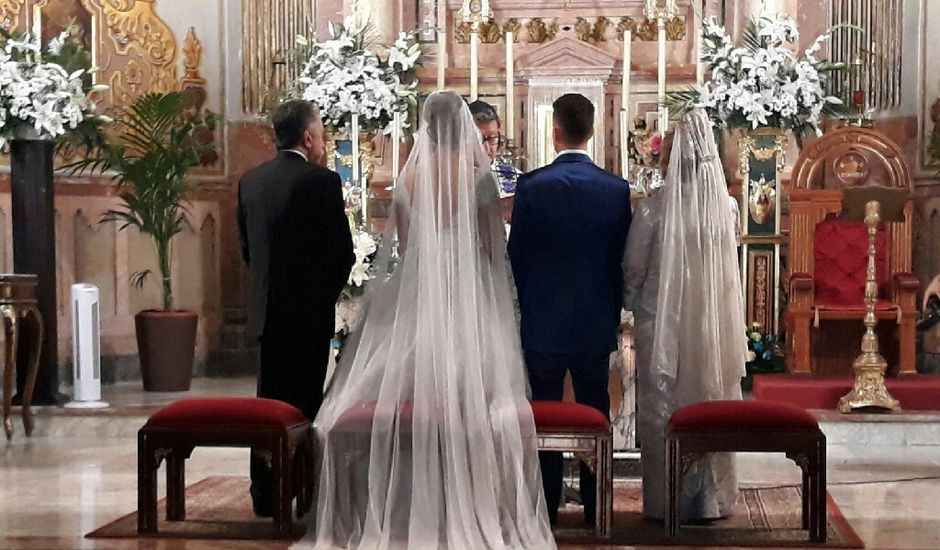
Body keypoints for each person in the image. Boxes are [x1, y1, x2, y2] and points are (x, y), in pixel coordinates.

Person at [296, 91, 556, 549]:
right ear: (462, 127)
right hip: (469, 294)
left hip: (419, 292)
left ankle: (410, 499)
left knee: (418, 391)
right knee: (472, 401)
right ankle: (474, 498)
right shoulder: (479, 179)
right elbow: (493, 251)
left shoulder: (409, 177)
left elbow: (402, 247)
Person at [508, 93, 633, 526]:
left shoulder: (532, 186)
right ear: (593, 131)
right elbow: (620, 258)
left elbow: (517, 256)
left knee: (543, 410)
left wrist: (531, 301)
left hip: (543, 317)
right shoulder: (617, 190)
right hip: (595, 316)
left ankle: (547, 505)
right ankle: (598, 506)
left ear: (554, 130)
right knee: (594, 408)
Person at [623, 108, 745, 521]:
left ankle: (666, 500)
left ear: (668, 159)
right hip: (710, 324)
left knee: (665, 406)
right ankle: (712, 499)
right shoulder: (725, 209)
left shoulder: (653, 210)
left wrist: (627, 304)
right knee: (709, 397)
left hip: (662, 325)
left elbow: (634, 269)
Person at [237, 100, 355, 517]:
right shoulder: (322, 182)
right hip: (306, 315)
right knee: (303, 404)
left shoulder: (250, 181)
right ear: (308, 137)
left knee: (267, 398)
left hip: (266, 311)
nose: (323, 141)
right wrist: (323, 298)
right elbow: (342, 253)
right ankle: (302, 488)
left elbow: (249, 250)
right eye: (321, 133)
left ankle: (264, 493)